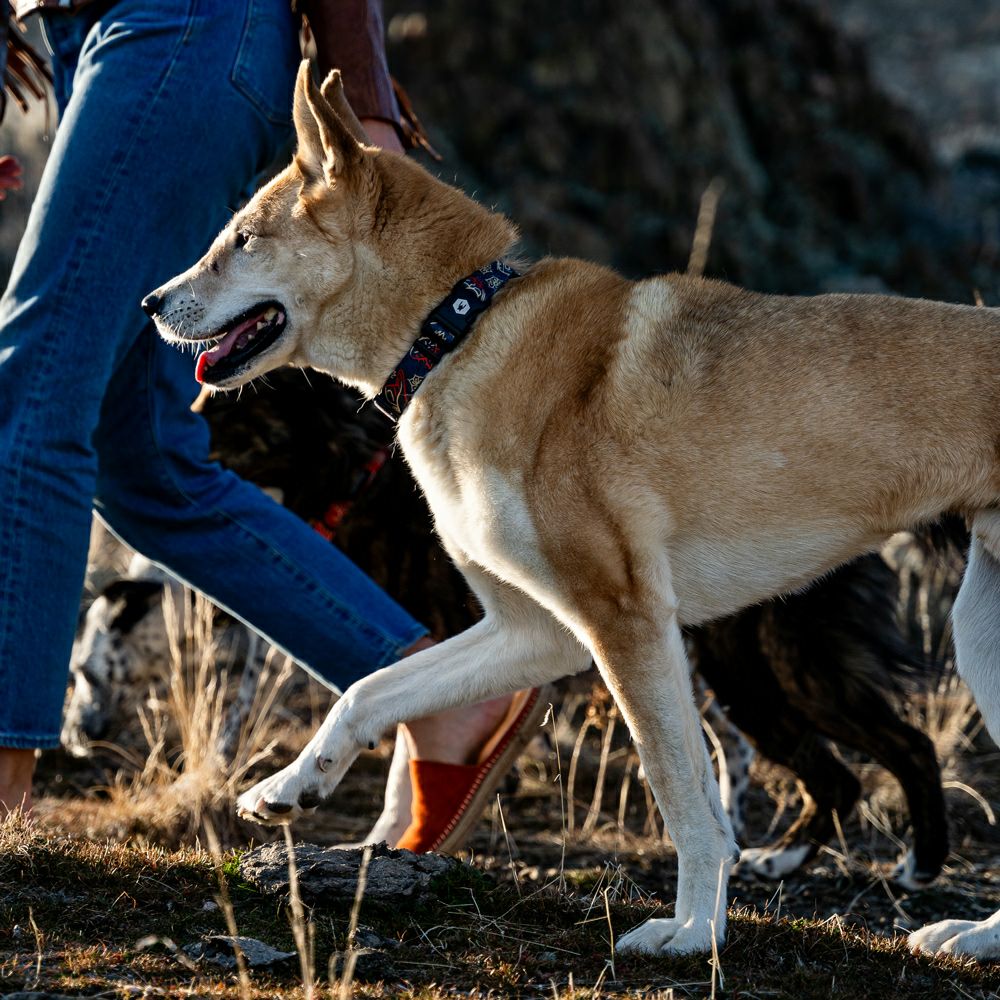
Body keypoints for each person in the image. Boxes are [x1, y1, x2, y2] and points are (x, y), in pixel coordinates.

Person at [0, 0, 539, 852]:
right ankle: (436, 689)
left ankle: (3, 795)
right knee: (142, 460)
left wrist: (369, 108)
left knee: (31, 400)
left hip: (178, 27)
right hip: (88, 37)